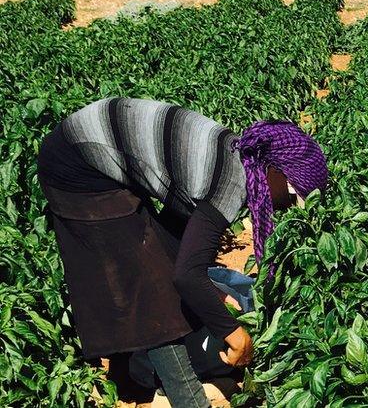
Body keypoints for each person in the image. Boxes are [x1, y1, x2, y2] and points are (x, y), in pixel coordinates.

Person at [36, 98, 329, 407]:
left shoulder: (234, 157)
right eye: (293, 195)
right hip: (77, 166)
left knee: (152, 259)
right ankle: (189, 401)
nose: (286, 206)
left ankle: (127, 380)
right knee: (152, 293)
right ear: (273, 171)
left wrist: (208, 293)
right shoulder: (231, 183)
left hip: (98, 153)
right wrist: (234, 333)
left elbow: (178, 240)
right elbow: (185, 276)